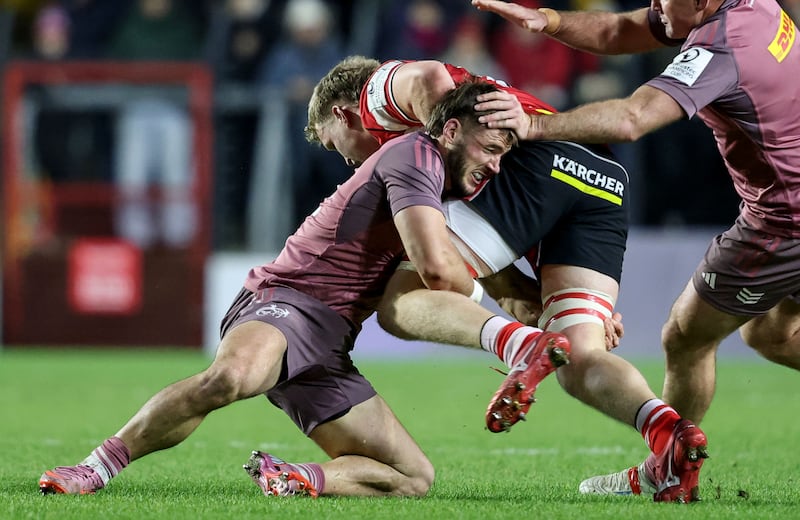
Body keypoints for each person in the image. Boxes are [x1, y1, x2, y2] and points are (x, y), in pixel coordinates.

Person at [39, 81, 558, 498]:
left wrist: (542, 307)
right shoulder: (415, 156)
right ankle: (96, 468)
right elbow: (442, 274)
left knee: (412, 478)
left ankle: (298, 477)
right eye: (490, 148)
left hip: (330, 345)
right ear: (449, 130)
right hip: (287, 302)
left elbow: (488, 277)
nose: (494, 165)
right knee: (232, 378)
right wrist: (495, 313)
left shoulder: (442, 185)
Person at [304, 55, 707, 502]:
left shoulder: (374, 95)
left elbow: (428, 78)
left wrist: (449, 149)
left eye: (331, 143)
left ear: (340, 114)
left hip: (525, 156)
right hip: (600, 176)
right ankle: (670, 434)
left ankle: (520, 345)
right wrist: (516, 287)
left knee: (401, 302)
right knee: (580, 356)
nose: (344, 160)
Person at [472, 0, 800, 500]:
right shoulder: (753, 9)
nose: (652, 5)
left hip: (783, 224)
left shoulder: (720, 43)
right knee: (771, 333)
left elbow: (632, 118)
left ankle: (666, 470)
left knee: (687, 338)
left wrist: (534, 126)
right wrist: (552, 22)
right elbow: (621, 31)